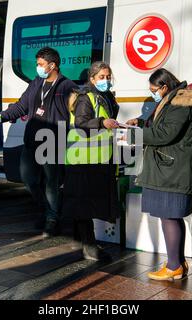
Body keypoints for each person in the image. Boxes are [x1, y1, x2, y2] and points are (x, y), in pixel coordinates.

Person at [126, 68, 192, 280]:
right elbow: (162, 124)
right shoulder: (173, 100)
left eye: (154, 89)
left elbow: (165, 134)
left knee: (169, 217)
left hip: (172, 170)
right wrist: (139, 123)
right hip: (170, 168)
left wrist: (134, 135)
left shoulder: (179, 104)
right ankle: (176, 262)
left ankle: (174, 265)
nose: (153, 93)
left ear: (164, 86)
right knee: (171, 217)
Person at [0, 47, 78, 238]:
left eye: (40, 64)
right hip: (31, 141)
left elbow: (78, 112)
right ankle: (46, 210)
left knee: (51, 183)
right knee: (28, 178)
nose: (37, 68)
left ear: (52, 65)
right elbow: (21, 106)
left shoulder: (67, 86)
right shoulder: (35, 83)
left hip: (52, 142)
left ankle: (52, 219)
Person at [63, 61, 120, 261]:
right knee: (85, 204)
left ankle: (81, 241)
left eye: (108, 76)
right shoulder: (86, 98)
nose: (106, 80)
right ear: (92, 78)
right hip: (83, 158)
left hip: (97, 157)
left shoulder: (106, 96)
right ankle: (89, 246)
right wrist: (103, 123)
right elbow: (81, 123)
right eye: (101, 77)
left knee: (86, 202)